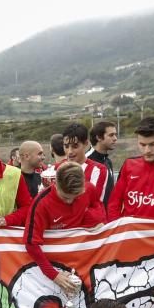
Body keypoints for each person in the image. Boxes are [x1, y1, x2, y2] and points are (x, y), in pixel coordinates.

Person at [24, 162, 105, 292]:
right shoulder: (41, 204)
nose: (70, 201)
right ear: (55, 184)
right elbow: (30, 244)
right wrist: (54, 275)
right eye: (65, 197)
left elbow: (97, 205)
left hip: (83, 258)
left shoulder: (89, 189)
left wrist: (97, 221)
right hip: (56, 265)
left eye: (76, 197)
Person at [63, 122, 108, 206]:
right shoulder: (58, 168)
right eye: (66, 146)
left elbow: (92, 201)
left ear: (86, 143)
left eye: (75, 146)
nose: (70, 151)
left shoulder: (98, 170)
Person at [87, 121, 118, 205]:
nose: (115, 138)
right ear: (99, 137)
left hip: (108, 216)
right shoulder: (86, 161)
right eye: (111, 135)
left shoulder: (108, 161)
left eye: (115, 134)